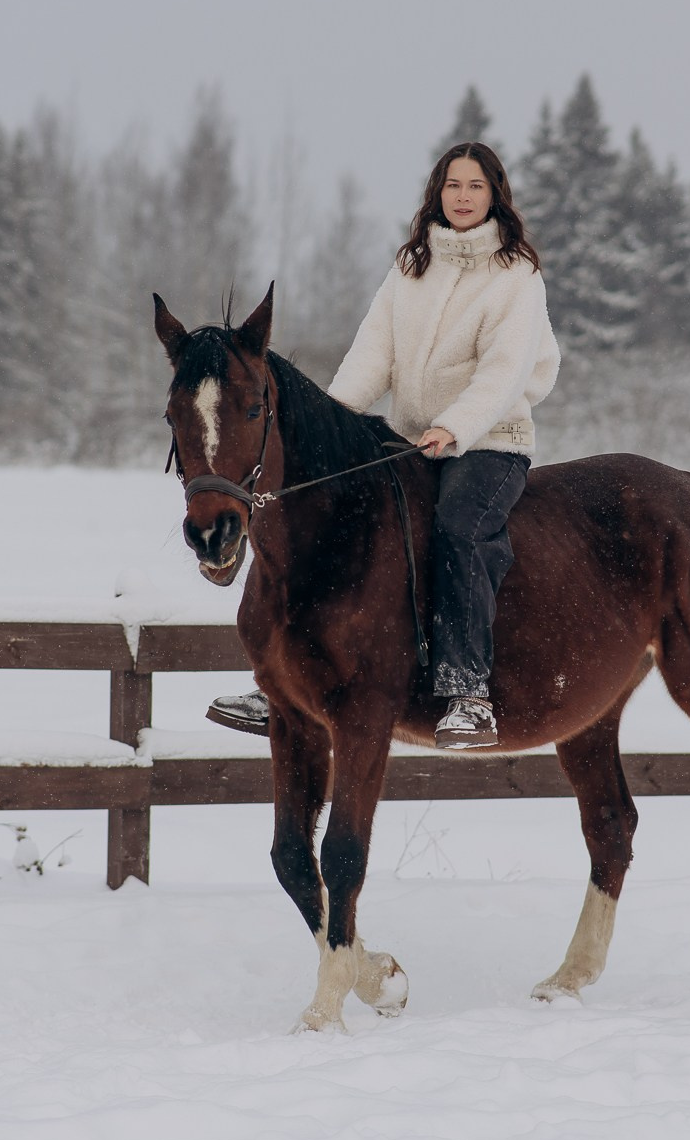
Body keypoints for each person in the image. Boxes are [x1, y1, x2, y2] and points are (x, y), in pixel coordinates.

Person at [207, 141, 561, 749]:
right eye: (453, 186)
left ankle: (467, 691)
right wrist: (334, 423)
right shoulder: (411, 266)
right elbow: (376, 352)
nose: (463, 197)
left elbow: (506, 371)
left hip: (489, 443)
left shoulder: (516, 274)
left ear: (495, 194)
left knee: (457, 527)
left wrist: (457, 424)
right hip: (409, 441)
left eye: (476, 186)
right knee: (312, 511)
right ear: (437, 193)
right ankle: (279, 685)